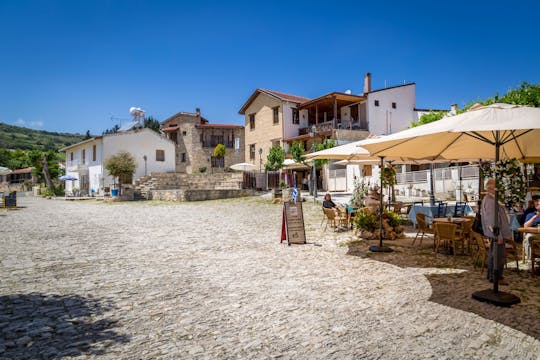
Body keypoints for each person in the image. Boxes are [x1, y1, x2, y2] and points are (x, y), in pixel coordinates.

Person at [481, 179, 512, 285]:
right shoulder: (490, 201)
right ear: (490, 188)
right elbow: (491, 220)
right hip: (496, 233)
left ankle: (492, 276)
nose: (498, 188)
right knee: (498, 255)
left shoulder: (491, 199)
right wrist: (498, 235)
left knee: (494, 254)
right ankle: (496, 277)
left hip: (496, 233)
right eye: (496, 186)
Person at [523, 199, 540, 265]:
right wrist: (535, 217)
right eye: (537, 204)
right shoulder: (531, 214)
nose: (536, 205)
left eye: (538, 204)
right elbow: (525, 226)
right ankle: (530, 261)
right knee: (528, 237)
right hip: (534, 234)